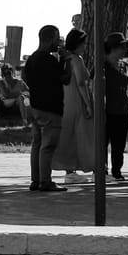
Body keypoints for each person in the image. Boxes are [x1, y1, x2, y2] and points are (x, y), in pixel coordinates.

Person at [23, 25, 66, 191]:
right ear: (51, 38)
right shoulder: (49, 60)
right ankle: (45, 181)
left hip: (35, 106)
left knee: (37, 144)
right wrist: (65, 59)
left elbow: (26, 77)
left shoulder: (32, 58)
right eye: (57, 38)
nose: (59, 42)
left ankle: (36, 180)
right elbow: (64, 78)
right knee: (47, 146)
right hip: (51, 108)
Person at [53, 29, 97, 185]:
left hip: (66, 100)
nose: (86, 46)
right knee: (83, 135)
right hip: (77, 101)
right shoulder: (76, 60)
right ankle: (92, 167)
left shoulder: (64, 59)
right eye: (84, 43)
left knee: (69, 135)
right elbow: (81, 83)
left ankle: (70, 170)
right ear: (78, 44)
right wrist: (88, 104)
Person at [102, 37, 128, 180]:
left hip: (123, 111)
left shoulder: (125, 66)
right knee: (103, 142)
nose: (124, 50)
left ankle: (117, 170)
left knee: (119, 143)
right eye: (122, 47)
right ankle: (102, 170)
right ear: (113, 48)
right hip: (106, 111)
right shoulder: (102, 66)